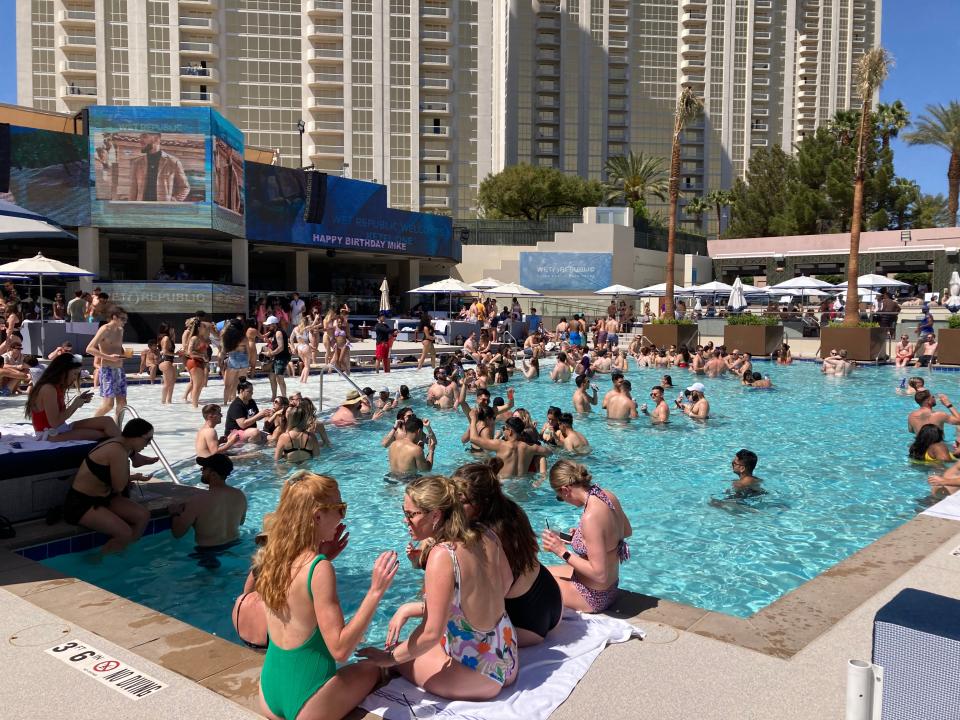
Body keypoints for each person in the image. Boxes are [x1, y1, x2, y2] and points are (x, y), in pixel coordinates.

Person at [358, 474, 518, 699]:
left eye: (410, 514)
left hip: (478, 675)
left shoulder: (442, 555)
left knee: (389, 659)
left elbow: (430, 634)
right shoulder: (486, 533)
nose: (405, 520)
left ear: (435, 515)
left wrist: (389, 658)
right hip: (507, 654)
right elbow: (507, 582)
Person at [257, 472, 399, 720]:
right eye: (340, 508)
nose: (343, 516)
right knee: (377, 667)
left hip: (268, 693)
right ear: (318, 515)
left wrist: (324, 557)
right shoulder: (318, 568)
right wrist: (376, 590)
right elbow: (340, 650)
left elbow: (297, 597)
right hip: (308, 703)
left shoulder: (273, 556)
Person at [448, 459, 562, 646]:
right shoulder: (512, 510)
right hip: (550, 595)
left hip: (525, 619)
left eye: (460, 500)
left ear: (481, 502)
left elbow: (496, 594)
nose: (453, 505)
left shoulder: (485, 536)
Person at [542, 460, 631, 613]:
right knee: (540, 571)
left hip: (593, 596)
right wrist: (580, 538)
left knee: (532, 583)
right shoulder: (607, 495)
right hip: (611, 588)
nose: (564, 501)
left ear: (565, 490)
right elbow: (626, 531)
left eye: (560, 497)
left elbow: (599, 575)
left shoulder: (590, 517)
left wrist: (561, 551)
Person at [63, 418, 157, 554]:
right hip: (81, 504)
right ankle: (98, 562)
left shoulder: (125, 445)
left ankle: (125, 550)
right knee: (124, 532)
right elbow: (119, 486)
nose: (148, 444)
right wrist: (135, 477)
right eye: (148, 439)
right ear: (135, 437)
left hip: (104, 498)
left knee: (143, 516)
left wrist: (135, 471)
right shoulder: (117, 451)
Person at [26, 353, 119, 441]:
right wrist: (75, 405)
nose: (75, 378)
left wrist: (79, 402)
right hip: (49, 435)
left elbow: (59, 419)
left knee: (108, 421)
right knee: (103, 435)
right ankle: (128, 451)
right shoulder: (48, 389)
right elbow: (54, 423)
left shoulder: (58, 386)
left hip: (60, 429)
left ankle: (129, 452)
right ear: (63, 371)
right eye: (74, 373)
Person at [169, 453, 247, 551]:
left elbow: (178, 533)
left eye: (204, 468)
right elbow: (241, 522)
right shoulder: (240, 495)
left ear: (213, 474)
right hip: (235, 546)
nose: (201, 472)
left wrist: (175, 513)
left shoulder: (198, 500)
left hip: (208, 553)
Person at [86, 307, 129, 422]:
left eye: (126, 319)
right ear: (114, 317)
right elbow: (89, 348)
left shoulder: (120, 330)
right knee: (108, 405)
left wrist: (123, 354)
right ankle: (91, 423)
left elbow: (118, 348)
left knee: (122, 403)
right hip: (108, 370)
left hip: (120, 369)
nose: (125, 321)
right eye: (123, 319)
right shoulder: (105, 329)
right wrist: (109, 357)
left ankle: (117, 427)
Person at [233, 519, 271, 651]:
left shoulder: (241, 601)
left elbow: (247, 593)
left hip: (249, 642)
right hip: (273, 649)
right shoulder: (283, 609)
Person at [128, 131, 191, 202]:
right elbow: (132, 191)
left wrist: (174, 200)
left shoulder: (173, 162)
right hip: (142, 209)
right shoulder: (137, 163)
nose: (140, 141)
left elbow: (184, 187)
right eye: (140, 138)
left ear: (156, 139)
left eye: (144, 137)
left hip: (163, 210)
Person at [225, 379, 270, 443]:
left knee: (272, 438)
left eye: (252, 391)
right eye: (249, 391)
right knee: (255, 432)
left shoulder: (251, 401)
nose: (252, 393)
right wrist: (259, 415)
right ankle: (250, 450)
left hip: (248, 431)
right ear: (241, 391)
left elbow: (256, 417)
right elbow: (243, 424)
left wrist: (265, 413)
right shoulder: (236, 405)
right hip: (235, 434)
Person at [262, 316, 290, 400]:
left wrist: (270, 354)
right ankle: (274, 396)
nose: (268, 326)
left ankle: (284, 398)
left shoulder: (278, 333)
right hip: (276, 357)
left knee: (279, 378)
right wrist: (268, 340)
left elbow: (281, 347)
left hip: (282, 357)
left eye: (269, 325)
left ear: (274, 324)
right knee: (272, 377)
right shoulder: (273, 332)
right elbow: (263, 337)